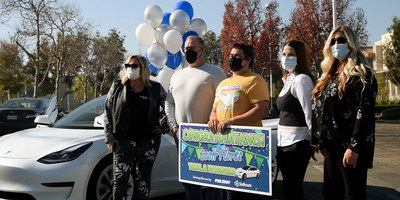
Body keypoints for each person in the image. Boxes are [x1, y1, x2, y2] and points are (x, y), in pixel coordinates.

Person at [312, 26, 377, 200]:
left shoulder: (362, 73)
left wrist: (354, 147)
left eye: (341, 40)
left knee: (354, 194)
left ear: (351, 43)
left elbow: (365, 112)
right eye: (333, 41)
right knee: (331, 194)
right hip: (331, 148)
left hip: (351, 148)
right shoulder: (329, 74)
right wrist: (318, 139)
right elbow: (320, 108)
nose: (336, 44)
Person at [165, 36, 226, 200]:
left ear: (202, 50)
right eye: (186, 48)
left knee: (214, 184)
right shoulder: (177, 75)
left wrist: (216, 119)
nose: (188, 51)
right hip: (183, 137)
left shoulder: (215, 72)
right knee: (190, 184)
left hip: (210, 138)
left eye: (192, 48)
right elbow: (169, 103)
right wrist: (173, 126)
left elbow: (226, 101)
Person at [208, 43, 269, 200]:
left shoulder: (255, 80)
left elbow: (261, 110)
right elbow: (215, 110)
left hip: (247, 147)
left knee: (249, 193)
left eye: (236, 57)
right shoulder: (222, 84)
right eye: (230, 56)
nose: (231, 59)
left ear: (247, 60)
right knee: (230, 191)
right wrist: (213, 120)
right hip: (224, 148)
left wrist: (231, 122)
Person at [104, 55, 168, 200]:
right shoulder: (118, 86)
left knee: (143, 182)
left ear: (143, 68)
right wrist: (109, 137)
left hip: (148, 143)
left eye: (134, 66)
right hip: (123, 142)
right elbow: (107, 111)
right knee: (120, 182)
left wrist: (164, 127)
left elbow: (170, 108)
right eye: (128, 66)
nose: (130, 69)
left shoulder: (155, 88)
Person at [276, 40, 314, 200]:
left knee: (293, 190)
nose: (286, 58)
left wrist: (313, 141)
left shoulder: (301, 80)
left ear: (300, 57)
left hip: (297, 144)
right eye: (284, 54)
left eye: (290, 55)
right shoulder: (288, 81)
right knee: (288, 189)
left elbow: (310, 112)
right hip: (283, 144)